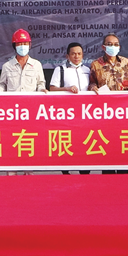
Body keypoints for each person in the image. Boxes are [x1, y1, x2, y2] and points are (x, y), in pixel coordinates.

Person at [88, 33, 128, 174]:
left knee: (123, 142)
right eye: (109, 44)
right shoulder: (96, 64)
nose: (113, 47)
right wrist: (92, 87)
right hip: (105, 112)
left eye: (115, 44)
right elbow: (91, 83)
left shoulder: (126, 63)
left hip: (124, 111)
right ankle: (107, 176)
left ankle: (123, 175)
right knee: (107, 142)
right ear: (103, 47)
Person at [49, 42, 91, 175]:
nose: (76, 56)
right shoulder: (60, 70)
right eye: (73, 54)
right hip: (67, 113)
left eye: (79, 54)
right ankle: (66, 172)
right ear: (67, 56)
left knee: (84, 142)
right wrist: (66, 89)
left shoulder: (87, 70)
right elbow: (52, 88)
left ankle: (84, 172)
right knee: (67, 140)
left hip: (85, 113)